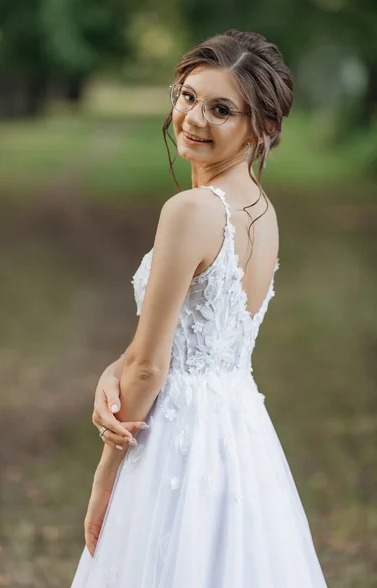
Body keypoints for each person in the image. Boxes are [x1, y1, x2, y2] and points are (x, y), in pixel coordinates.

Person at [71, 30, 329, 587]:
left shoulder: (191, 210)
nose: (192, 118)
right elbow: (187, 335)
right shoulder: (260, 208)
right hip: (239, 430)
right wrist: (115, 368)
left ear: (263, 127)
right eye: (187, 96)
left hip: (175, 438)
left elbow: (153, 366)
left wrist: (105, 479)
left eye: (220, 109)